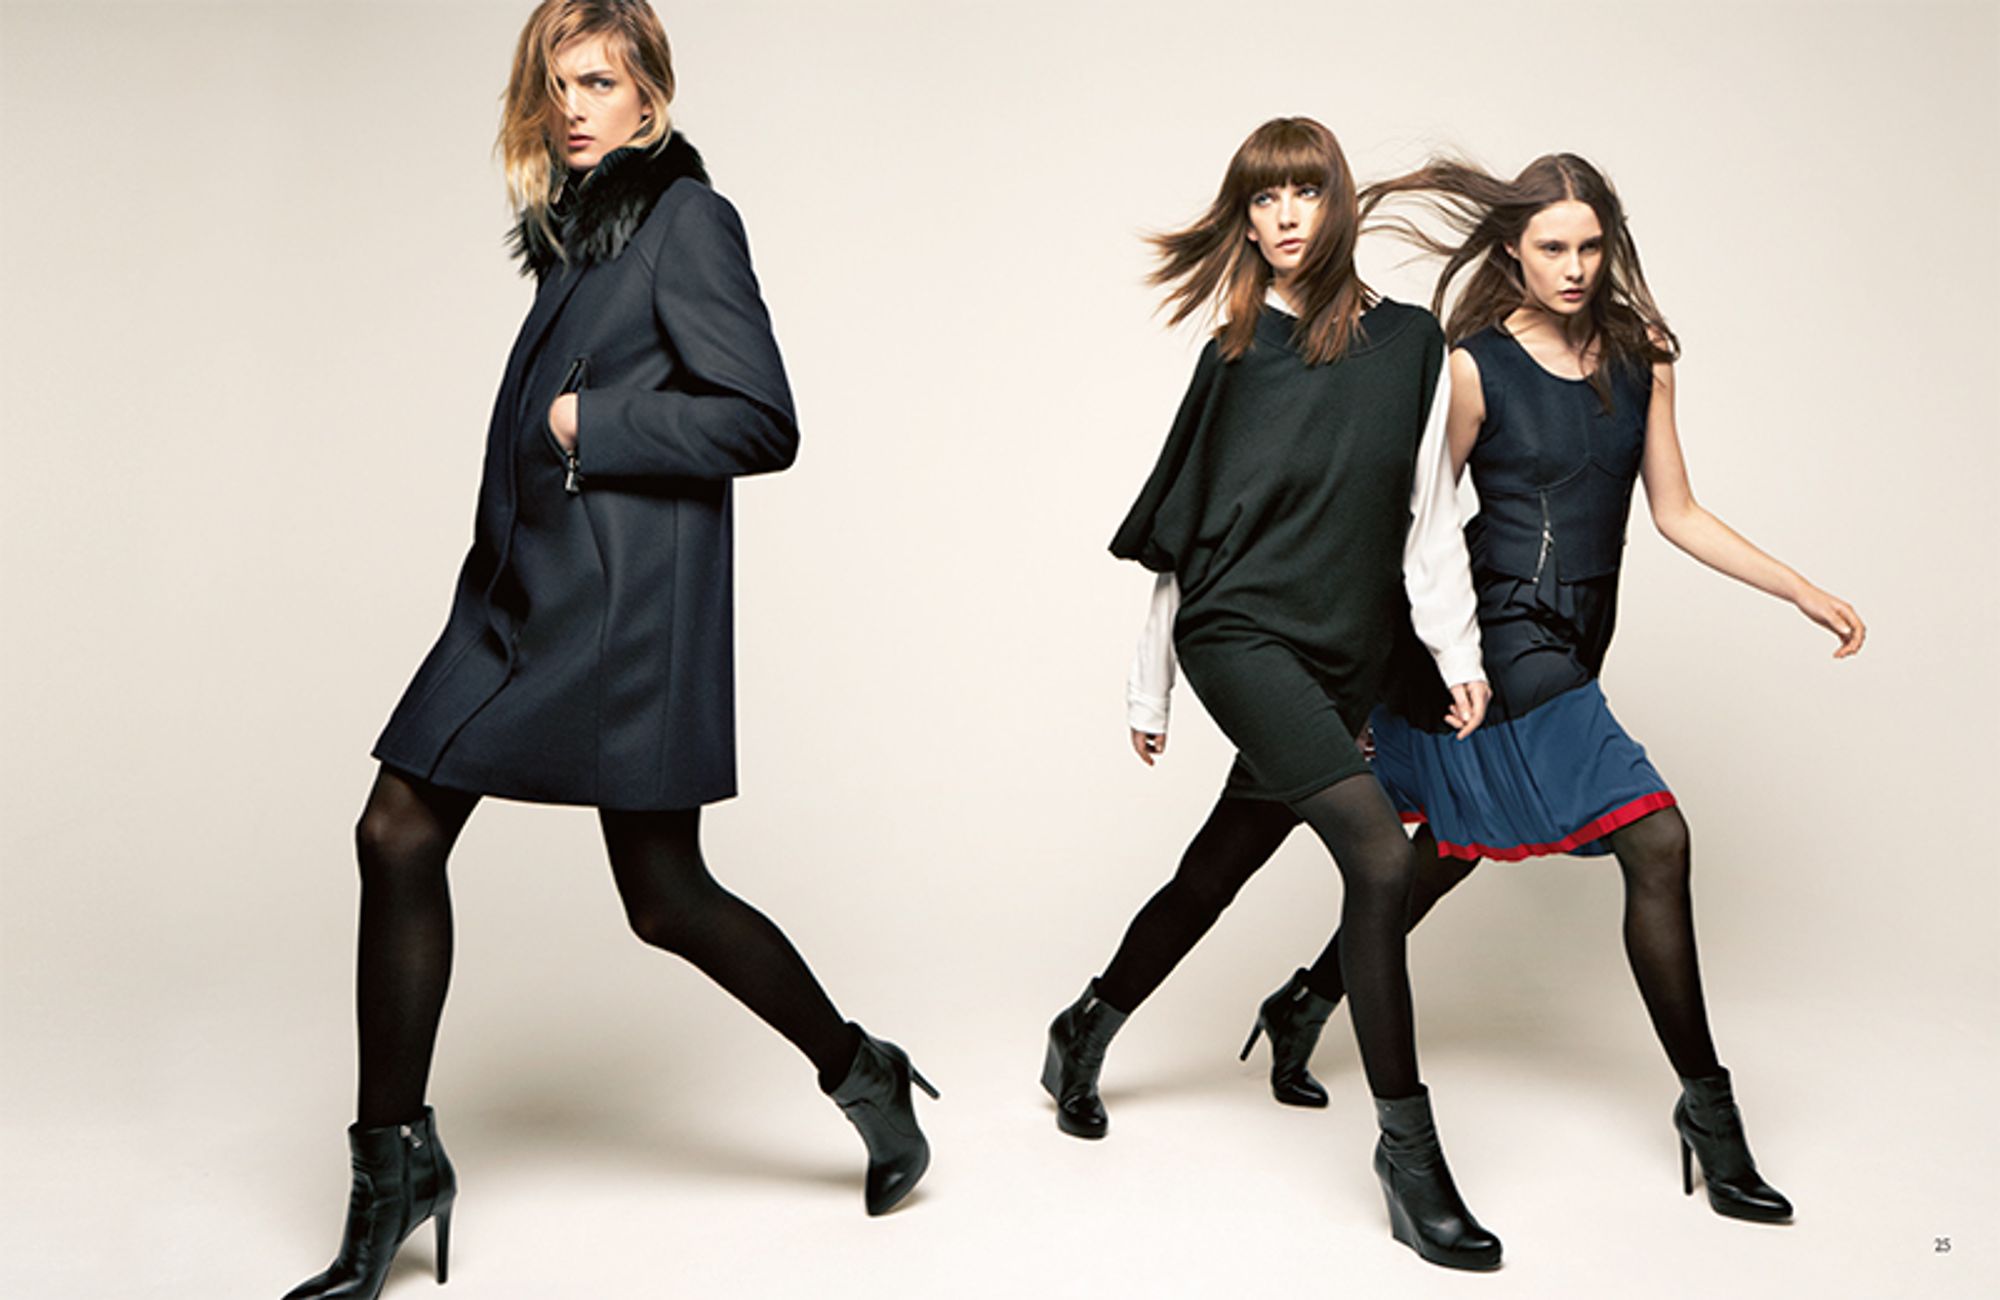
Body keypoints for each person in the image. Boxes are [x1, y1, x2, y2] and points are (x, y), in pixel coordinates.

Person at [282, 4, 935, 1296]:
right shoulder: (578, 233)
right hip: (514, 596)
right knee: (394, 829)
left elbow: (763, 418)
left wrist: (600, 422)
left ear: (650, 97)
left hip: (622, 616)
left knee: (663, 897)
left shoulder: (687, 219)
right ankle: (393, 1165)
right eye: (556, 84)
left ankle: (864, 1072)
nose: (573, 107)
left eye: (598, 81)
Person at [1143, 152, 1864, 1225]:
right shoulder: (1471, 366)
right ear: (1513, 253)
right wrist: (1334, 652)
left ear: (1610, 247)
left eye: (1589, 247)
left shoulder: (1644, 355)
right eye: (1550, 248)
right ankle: (1711, 1118)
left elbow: (1674, 510)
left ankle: (1304, 1001)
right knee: (1657, 839)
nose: (1573, 268)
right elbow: (1410, 519)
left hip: (1575, 635)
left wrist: (1798, 588)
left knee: (1448, 850)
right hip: (1497, 633)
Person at [1044, 117, 1502, 1271]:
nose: (1283, 215)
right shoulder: (1236, 352)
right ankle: (1408, 1160)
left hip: (1346, 651)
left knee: (1219, 864)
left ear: (1336, 202)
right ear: (1243, 220)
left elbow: (1425, 518)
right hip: (1239, 637)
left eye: (1302, 191)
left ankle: (1084, 1023)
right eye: (1261, 198)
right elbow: (1181, 537)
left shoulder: (1409, 344)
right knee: (1379, 855)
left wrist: (1454, 654)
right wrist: (1148, 687)